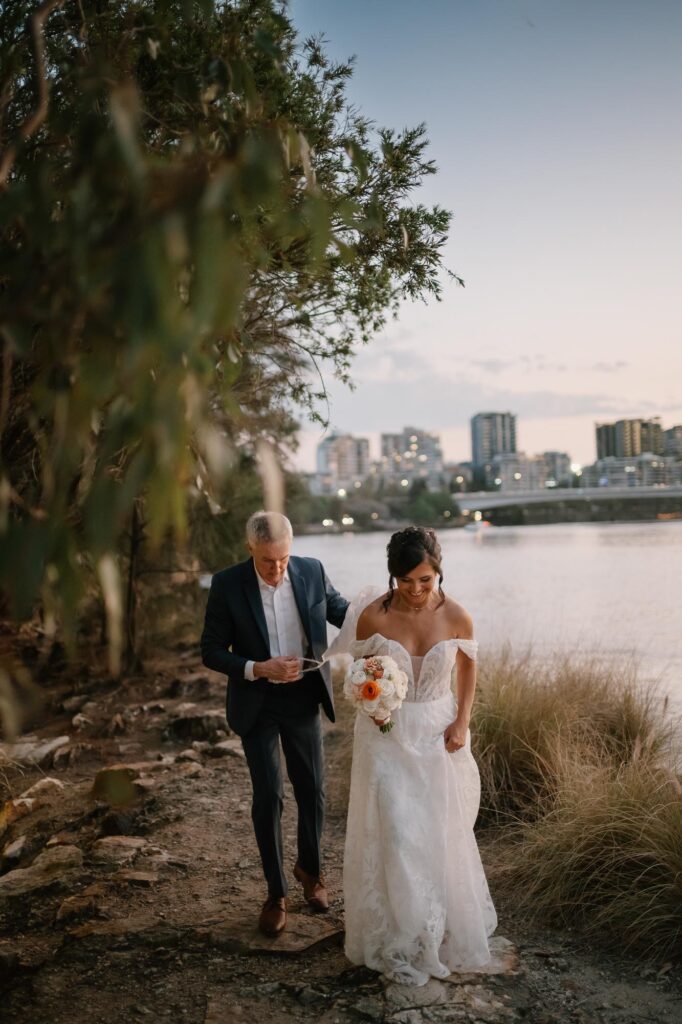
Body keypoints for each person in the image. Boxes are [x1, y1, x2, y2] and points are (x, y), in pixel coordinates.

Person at [326, 526, 497, 985]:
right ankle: (403, 935)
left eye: (426, 580)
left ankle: (436, 929)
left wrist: (462, 721)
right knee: (398, 835)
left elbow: (468, 668)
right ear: (392, 578)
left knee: (437, 835)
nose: (418, 590)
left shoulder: (458, 616)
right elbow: (362, 675)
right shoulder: (373, 619)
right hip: (388, 737)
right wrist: (373, 702)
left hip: (439, 735)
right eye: (408, 582)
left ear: (438, 572)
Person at [201, 511, 349, 937]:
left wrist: (390, 618)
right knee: (268, 796)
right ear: (250, 550)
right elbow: (211, 650)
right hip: (256, 702)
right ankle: (276, 892)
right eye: (268, 561)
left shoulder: (311, 569)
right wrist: (258, 668)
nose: (278, 568)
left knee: (313, 790)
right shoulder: (227, 584)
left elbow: (342, 612)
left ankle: (312, 872)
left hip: (303, 696)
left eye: (283, 558)